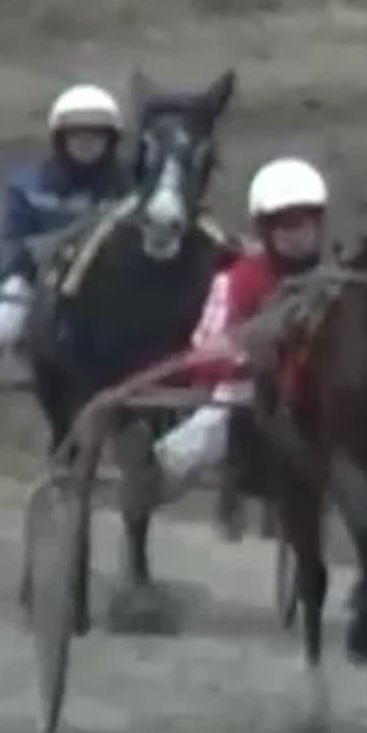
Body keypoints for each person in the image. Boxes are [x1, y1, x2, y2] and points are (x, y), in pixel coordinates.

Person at [149, 157, 331, 489]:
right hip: (250, 394)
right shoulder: (239, 279)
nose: (296, 236)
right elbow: (208, 347)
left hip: (323, 391)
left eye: (303, 225)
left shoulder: (335, 279)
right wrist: (247, 358)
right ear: (265, 230)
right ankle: (160, 469)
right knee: (224, 411)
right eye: (284, 227)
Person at [0, 83, 136, 358]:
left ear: (111, 141)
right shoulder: (29, 186)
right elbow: (10, 240)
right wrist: (20, 267)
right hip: (41, 278)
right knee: (3, 326)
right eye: (77, 136)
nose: (86, 144)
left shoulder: (132, 191)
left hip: (112, 282)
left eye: (96, 136)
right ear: (61, 139)